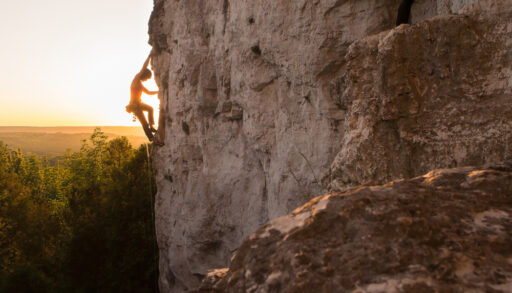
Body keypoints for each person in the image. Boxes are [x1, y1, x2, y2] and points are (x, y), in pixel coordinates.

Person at [126, 53, 163, 145]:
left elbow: (149, 92)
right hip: (134, 106)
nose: (146, 80)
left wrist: (159, 91)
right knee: (143, 122)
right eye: (147, 78)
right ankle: (152, 138)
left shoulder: (140, 84)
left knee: (150, 109)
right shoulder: (136, 79)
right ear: (144, 75)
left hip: (138, 104)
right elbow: (144, 67)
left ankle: (151, 126)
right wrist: (149, 57)